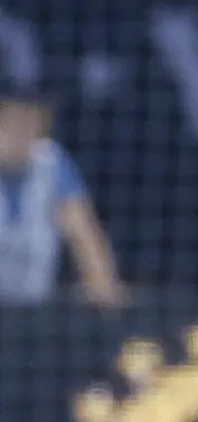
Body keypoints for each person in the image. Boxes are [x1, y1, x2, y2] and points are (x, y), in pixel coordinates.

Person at [0, 85, 127, 309]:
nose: (22, 135)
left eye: (30, 124)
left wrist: (101, 281)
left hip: (33, 314)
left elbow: (84, 234)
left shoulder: (52, 164)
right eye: (13, 124)